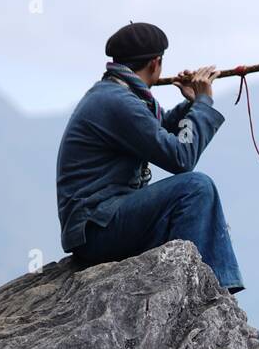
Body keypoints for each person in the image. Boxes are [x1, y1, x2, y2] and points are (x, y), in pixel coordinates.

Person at [55, 21, 244, 292]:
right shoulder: (118, 102)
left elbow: (158, 130)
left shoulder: (117, 94)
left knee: (196, 195)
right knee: (196, 187)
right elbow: (181, 158)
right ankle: (201, 290)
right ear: (155, 63)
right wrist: (203, 105)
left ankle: (212, 288)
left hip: (102, 223)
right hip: (96, 230)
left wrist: (190, 102)